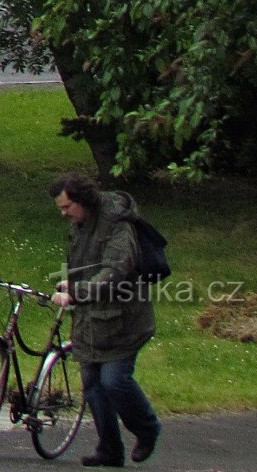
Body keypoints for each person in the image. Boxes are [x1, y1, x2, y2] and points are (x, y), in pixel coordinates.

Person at [50, 173, 161, 466]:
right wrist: (68, 286)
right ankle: (110, 449)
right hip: (92, 318)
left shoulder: (118, 225)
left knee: (114, 381)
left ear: (83, 200)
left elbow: (115, 271)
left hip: (125, 320)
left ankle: (147, 428)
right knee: (92, 384)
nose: (64, 214)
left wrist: (77, 293)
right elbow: (81, 265)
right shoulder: (81, 224)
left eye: (66, 207)